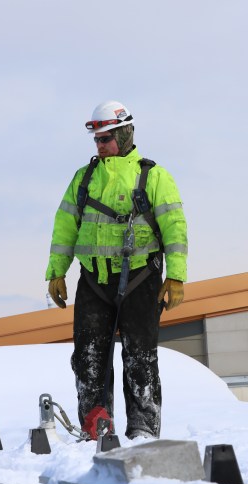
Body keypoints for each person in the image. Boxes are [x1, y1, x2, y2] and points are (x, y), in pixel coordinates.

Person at [45, 100, 188, 440]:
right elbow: (65, 227)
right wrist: (56, 272)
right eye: (97, 140)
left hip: (142, 277)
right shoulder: (84, 179)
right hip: (94, 280)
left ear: (124, 135)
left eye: (106, 139)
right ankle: (96, 427)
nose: (101, 146)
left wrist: (176, 276)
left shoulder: (153, 176)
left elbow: (175, 228)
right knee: (88, 357)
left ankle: (143, 430)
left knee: (140, 358)